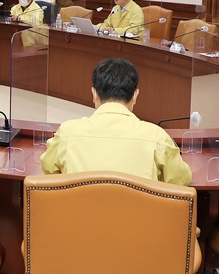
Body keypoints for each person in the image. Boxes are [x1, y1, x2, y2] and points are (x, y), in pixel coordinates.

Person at [40, 58, 191, 186]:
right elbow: (182, 180)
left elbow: (48, 169)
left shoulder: (67, 132)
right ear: (135, 96)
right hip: (138, 220)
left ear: (94, 94)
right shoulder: (157, 137)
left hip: (79, 219)